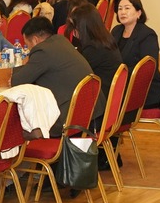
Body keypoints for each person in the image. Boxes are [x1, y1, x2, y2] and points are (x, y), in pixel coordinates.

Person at [10, 8, 97, 138]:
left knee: (20, 126)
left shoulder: (42, 51)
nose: (28, 50)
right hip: (90, 111)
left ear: (35, 40)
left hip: (69, 118)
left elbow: (16, 82)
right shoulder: (61, 41)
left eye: (27, 45)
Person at [71, 4, 126, 127]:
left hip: (98, 111)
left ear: (83, 27)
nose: (73, 32)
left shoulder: (93, 49)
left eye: (75, 27)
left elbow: (76, 76)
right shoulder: (106, 40)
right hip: (110, 104)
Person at [111, 0, 160, 94]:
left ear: (138, 13)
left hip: (143, 88)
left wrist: (120, 74)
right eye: (120, 9)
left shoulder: (147, 35)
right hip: (120, 84)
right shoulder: (116, 31)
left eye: (127, 8)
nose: (122, 12)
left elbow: (148, 68)